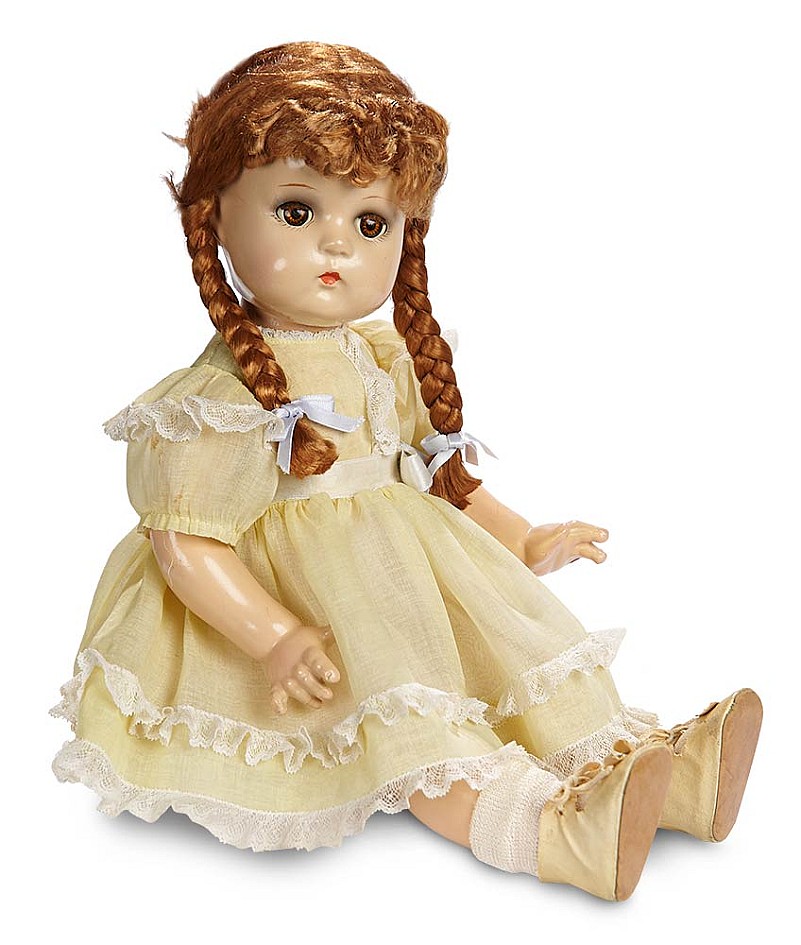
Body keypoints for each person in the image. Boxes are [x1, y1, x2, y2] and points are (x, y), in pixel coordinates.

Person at [51, 41, 762, 901]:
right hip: (311, 612)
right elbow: (185, 541)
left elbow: (431, 471)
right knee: (419, 735)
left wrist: (520, 537)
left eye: (370, 223)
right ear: (215, 218)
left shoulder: (384, 353)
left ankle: (660, 780)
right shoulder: (216, 395)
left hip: (412, 579)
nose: (336, 244)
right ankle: (550, 833)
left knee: (520, 670)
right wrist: (273, 635)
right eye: (296, 210)